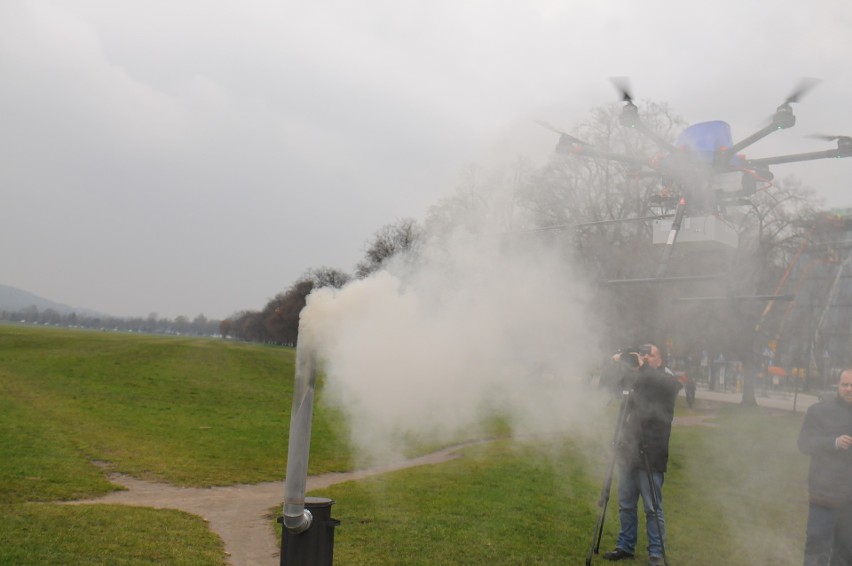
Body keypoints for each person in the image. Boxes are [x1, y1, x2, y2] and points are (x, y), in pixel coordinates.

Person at [604, 344, 681, 566]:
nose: (645, 358)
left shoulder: (666, 379)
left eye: (651, 355)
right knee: (626, 503)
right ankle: (625, 546)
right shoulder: (637, 377)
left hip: (652, 452)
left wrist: (642, 369)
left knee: (652, 507)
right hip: (629, 450)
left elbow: (666, 387)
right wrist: (616, 365)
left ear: (660, 360)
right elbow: (611, 388)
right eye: (643, 354)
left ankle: (656, 553)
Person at [798, 368, 852, 566]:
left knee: (846, 552)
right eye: (844, 384)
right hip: (823, 495)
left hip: (850, 502)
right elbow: (804, 443)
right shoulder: (819, 411)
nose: (848, 389)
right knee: (817, 547)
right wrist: (834, 443)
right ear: (838, 385)